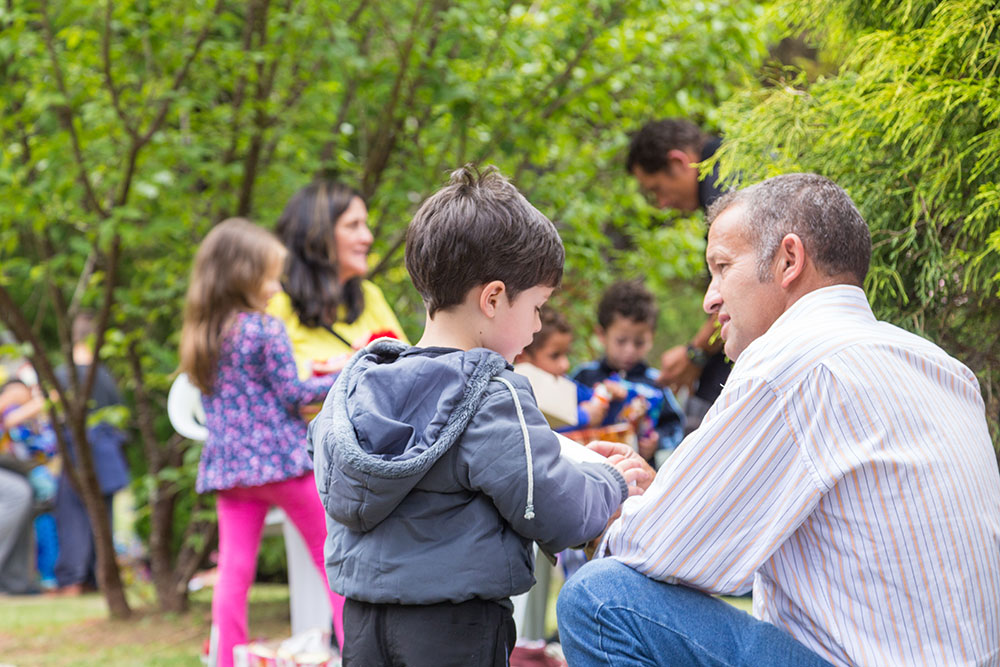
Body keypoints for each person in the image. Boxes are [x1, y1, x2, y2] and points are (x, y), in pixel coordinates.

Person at [556, 173, 1000, 666]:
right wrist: (667, 498)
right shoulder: (940, 367)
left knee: (600, 598)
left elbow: (661, 550)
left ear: (789, 260)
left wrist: (608, 507)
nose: (710, 298)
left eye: (722, 267)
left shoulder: (791, 363)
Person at [308, 165, 649, 667]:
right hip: (455, 626)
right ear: (493, 299)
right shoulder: (491, 393)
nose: (536, 326)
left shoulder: (359, 383)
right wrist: (611, 482)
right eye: (536, 307)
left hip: (361, 620)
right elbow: (552, 508)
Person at [178, 219, 340, 667]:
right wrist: (343, 376)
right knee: (332, 557)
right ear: (243, 276)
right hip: (284, 467)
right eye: (270, 276)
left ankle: (227, 659)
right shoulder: (265, 330)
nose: (276, 287)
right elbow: (294, 394)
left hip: (231, 474)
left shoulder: (202, 337)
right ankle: (357, 647)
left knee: (234, 572)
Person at [626, 118, 731, 429]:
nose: (662, 204)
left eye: (657, 189)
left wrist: (694, 354)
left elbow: (742, 289)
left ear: (678, 161)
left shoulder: (722, 188)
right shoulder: (729, 163)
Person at [269, 181, 408, 381]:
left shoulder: (369, 295)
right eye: (353, 225)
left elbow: (411, 369)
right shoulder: (273, 301)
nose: (367, 237)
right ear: (316, 235)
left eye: (365, 225)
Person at [52, 311, 131, 596]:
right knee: (102, 517)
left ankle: (74, 579)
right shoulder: (105, 375)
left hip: (78, 454)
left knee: (72, 515)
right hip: (107, 455)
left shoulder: (63, 374)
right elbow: (122, 417)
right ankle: (100, 576)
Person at [571, 280, 685, 466]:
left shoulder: (656, 382)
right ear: (601, 334)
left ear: (651, 337)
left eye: (639, 342)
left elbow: (675, 427)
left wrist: (657, 442)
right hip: (586, 468)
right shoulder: (584, 376)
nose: (629, 350)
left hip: (636, 474)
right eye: (621, 340)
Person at [514, 305, 613, 430]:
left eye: (566, 354)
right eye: (555, 356)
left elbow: (592, 398)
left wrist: (607, 392)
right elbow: (536, 428)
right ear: (522, 356)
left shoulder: (564, 383)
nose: (565, 364)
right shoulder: (515, 393)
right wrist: (583, 416)